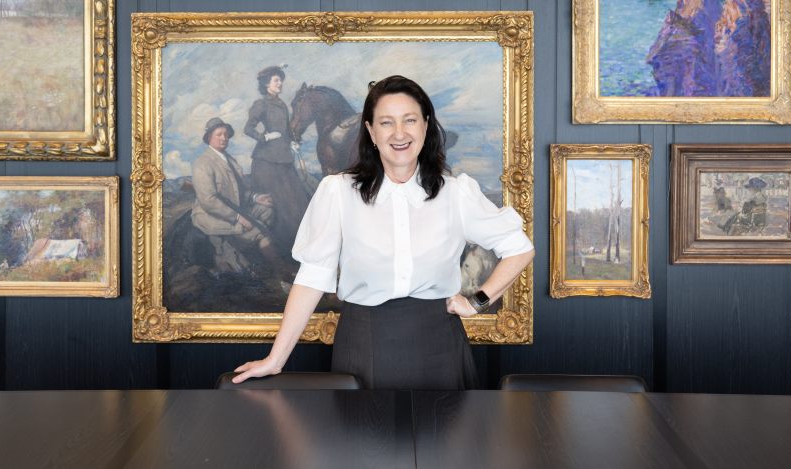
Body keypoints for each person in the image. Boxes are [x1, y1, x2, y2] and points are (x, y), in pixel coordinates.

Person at [231, 75, 535, 390]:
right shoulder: (337, 191)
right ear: (370, 131)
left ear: (425, 127)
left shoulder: (457, 193)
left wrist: (477, 301)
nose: (399, 133)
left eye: (410, 120)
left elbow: (519, 248)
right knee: (363, 437)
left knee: (446, 438)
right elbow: (311, 279)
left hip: (441, 348)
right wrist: (276, 359)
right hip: (362, 347)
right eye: (386, 122)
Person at [190, 117, 276, 274]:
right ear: (209, 137)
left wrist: (256, 198)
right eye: (219, 134)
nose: (224, 138)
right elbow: (208, 201)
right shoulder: (202, 163)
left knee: (267, 211)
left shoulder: (230, 160)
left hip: (235, 210)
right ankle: (279, 268)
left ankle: (245, 245)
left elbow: (240, 191)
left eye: (226, 134)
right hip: (212, 216)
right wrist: (238, 217)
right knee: (259, 230)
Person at [243, 66, 312, 252]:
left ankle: (303, 248)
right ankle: (283, 250)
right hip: (266, 163)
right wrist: (263, 137)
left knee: (298, 203)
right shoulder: (261, 104)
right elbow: (248, 129)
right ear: (266, 84)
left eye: (281, 80)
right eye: (276, 80)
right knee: (280, 206)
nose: (280, 83)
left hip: (284, 160)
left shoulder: (282, 105)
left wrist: (292, 142)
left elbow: (286, 131)